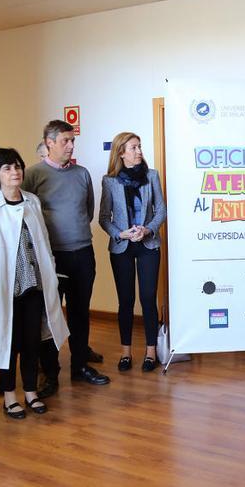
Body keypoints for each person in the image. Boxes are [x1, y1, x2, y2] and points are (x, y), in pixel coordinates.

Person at [0, 148, 69, 419]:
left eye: (17, 167)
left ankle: (30, 392)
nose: (14, 172)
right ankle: (9, 396)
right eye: (7, 168)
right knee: (7, 343)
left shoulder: (32, 201)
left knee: (31, 342)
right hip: (3, 288)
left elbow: (44, 242)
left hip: (33, 285)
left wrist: (50, 268)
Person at [23, 120, 109, 398]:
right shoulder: (33, 175)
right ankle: (49, 374)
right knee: (50, 317)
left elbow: (88, 210)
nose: (71, 146)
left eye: (73, 141)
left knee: (80, 312)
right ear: (49, 143)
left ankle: (80, 365)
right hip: (52, 257)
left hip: (82, 252)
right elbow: (25, 215)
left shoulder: (82, 174)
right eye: (65, 141)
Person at [99, 132, 167, 372]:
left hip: (148, 244)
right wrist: (121, 233)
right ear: (121, 152)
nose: (139, 151)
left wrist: (147, 230)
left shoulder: (151, 176)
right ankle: (125, 352)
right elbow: (103, 218)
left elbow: (161, 210)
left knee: (148, 298)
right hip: (122, 246)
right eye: (134, 147)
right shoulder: (110, 181)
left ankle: (150, 352)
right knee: (125, 300)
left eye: (139, 147)